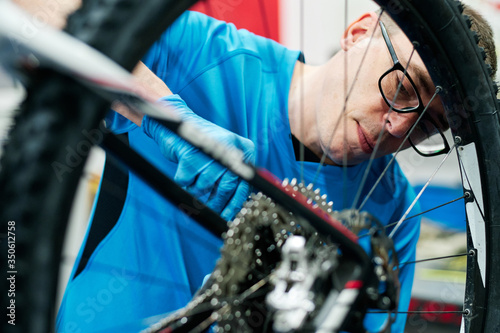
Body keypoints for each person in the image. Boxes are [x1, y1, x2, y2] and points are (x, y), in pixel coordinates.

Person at [45, 2, 496, 333]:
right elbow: (38, 13)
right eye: (402, 86)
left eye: (428, 126)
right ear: (358, 33)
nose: (399, 126)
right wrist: (163, 114)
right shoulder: (203, 55)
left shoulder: (394, 206)